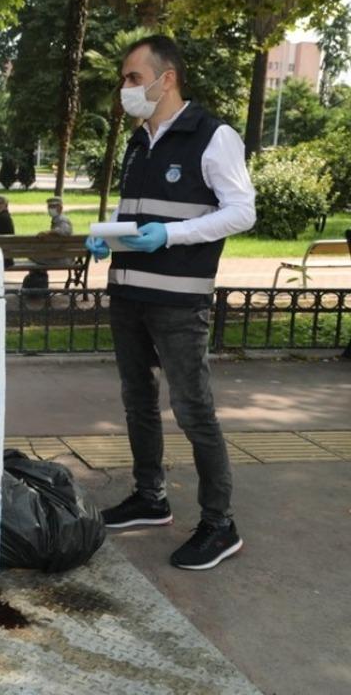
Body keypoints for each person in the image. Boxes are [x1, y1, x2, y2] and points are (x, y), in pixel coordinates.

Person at [85, 35, 256, 571]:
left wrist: (171, 236)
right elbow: (138, 214)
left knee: (193, 410)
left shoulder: (212, 136)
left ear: (168, 78)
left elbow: (241, 212)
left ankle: (219, 524)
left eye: (134, 78)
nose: (126, 88)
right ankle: (150, 496)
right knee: (138, 400)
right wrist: (108, 235)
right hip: (129, 293)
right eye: (125, 79)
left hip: (179, 301)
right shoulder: (140, 141)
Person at [23, 196, 74, 291]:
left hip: (61, 259)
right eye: (49, 206)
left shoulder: (62, 220)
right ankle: (38, 281)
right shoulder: (57, 219)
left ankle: (36, 284)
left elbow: (65, 231)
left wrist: (48, 232)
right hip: (59, 256)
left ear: (60, 208)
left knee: (32, 256)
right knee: (34, 255)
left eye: (53, 206)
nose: (51, 209)